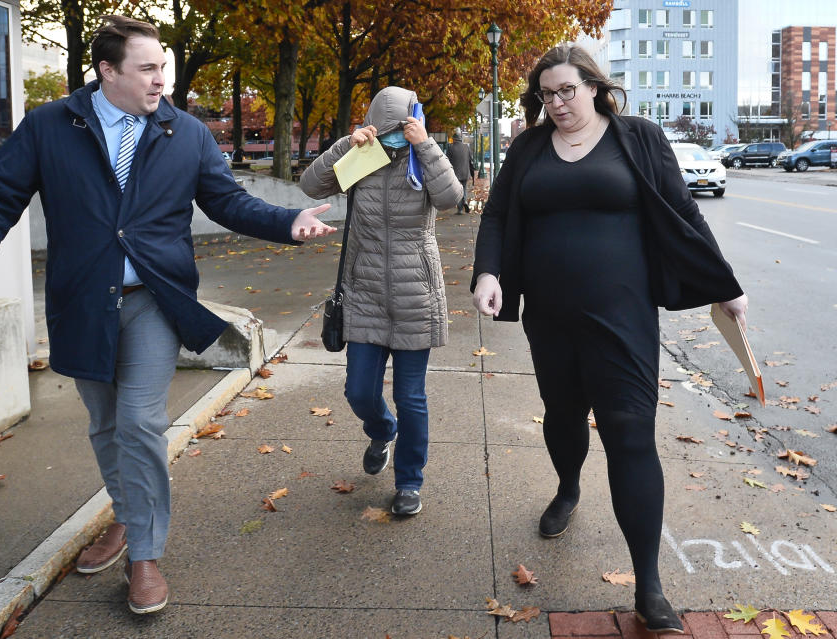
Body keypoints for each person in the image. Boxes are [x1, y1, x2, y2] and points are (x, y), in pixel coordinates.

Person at [0, 15, 334, 615]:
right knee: (106, 424)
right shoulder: (48, 127)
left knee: (140, 422)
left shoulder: (185, 132)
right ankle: (126, 513)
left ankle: (144, 555)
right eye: (147, 69)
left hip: (154, 299)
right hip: (82, 302)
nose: (160, 81)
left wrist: (287, 221)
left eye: (163, 68)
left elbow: (227, 200)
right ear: (107, 71)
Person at [470, 44, 748, 633]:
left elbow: (682, 211)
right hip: (549, 315)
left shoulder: (638, 138)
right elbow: (496, 215)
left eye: (567, 90)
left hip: (622, 317)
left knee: (629, 432)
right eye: (546, 94)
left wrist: (726, 284)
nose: (557, 103)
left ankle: (649, 586)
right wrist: (488, 273)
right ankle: (568, 486)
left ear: (595, 87)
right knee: (562, 414)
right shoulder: (528, 148)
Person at [300, 87, 461, 516]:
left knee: (412, 398)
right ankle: (382, 429)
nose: (392, 138)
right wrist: (344, 145)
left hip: (415, 295)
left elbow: (451, 199)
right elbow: (311, 186)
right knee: (358, 392)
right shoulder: (363, 158)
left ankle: (409, 482)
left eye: (399, 129)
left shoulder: (421, 157)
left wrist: (424, 144)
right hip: (365, 292)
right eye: (386, 130)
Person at [446, 127, 475, 214]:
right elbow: (471, 159)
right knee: (464, 189)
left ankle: (459, 209)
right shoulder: (466, 147)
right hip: (466, 173)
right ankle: (465, 201)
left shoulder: (451, 148)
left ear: (454, 139)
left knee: (458, 191)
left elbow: (447, 161)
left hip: (456, 174)